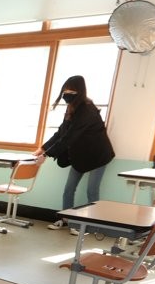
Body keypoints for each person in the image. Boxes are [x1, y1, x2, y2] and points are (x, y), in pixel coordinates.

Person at [33, 75, 115, 230]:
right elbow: (61, 132)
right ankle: (66, 220)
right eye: (65, 90)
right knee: (69, 190)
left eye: (71, 91)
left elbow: (69, 137)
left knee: (92, 191)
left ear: (80, 91)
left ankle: (92, 226)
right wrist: (42, 149)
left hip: (98, 155)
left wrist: (46, 155)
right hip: (80, 156)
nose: (67, 94)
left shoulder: (87, 110)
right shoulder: (71, 107)